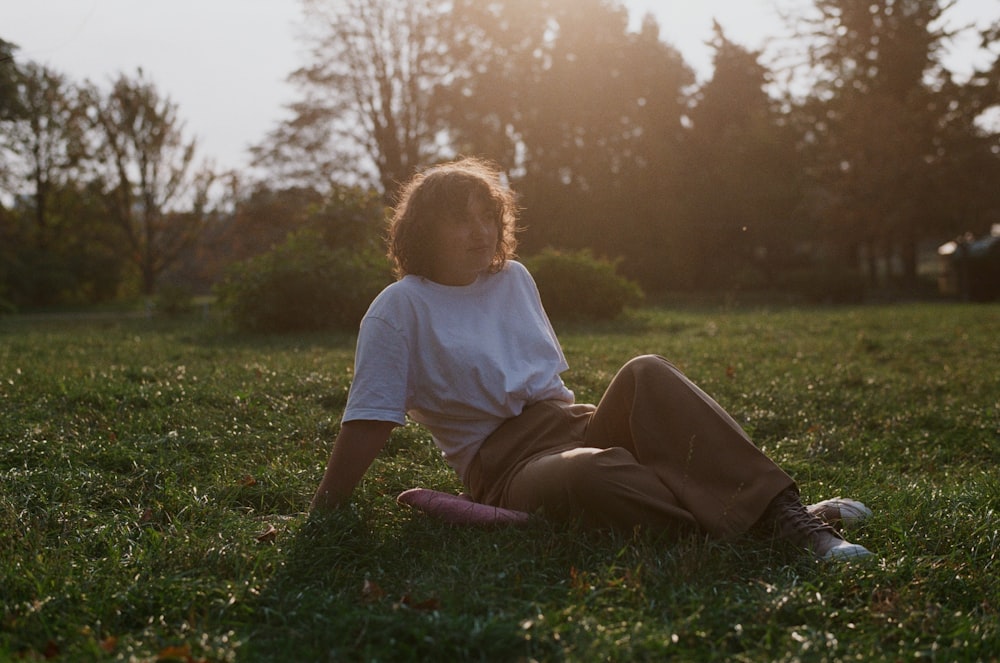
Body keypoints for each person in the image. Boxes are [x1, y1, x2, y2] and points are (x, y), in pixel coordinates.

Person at [310, 157, 872, 561]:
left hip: (575, 424)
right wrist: (323, 513)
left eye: (489, 216)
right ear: (423, 229)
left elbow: (546, 388)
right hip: (507, 467)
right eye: (461, 219)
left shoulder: (513, 280)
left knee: (647, 370)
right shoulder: (399, 308)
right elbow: (371, 416)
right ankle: (763, 527)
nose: (481, 232)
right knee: (591, 471)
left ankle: (788, 518)